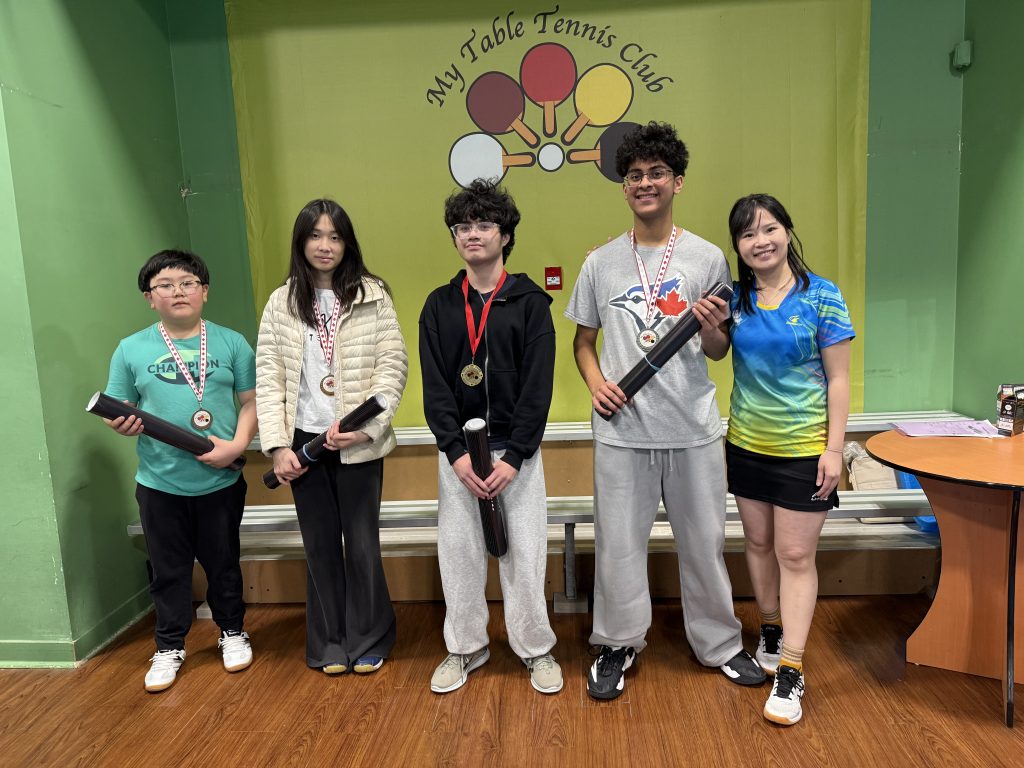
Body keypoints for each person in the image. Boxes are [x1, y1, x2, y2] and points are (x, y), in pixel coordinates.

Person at [565, 121, 765, 700]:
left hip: (692, 427)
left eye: (656, 173)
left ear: (677, 181)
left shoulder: (707, 258)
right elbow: (582, 342)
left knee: (703, 545)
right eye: (634, 175)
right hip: (623, 432)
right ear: (624, 186)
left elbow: (719, 350)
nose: (645, 183)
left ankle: (719, 643)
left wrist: (711, 329)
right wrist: (597, 384)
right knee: (618, 548)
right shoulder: (601, 262)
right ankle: (617, 643)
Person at [419, 180, 562, 695]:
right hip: (459, 457)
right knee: (459, 556)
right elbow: (436, 388)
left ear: (505, 235)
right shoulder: (439, 306)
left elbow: (537, 389)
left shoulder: (530, 303)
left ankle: (535, 648)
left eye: (484, 225)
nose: (472, 234)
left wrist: (516, 455)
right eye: (462, 227)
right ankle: (465, 647)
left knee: (524, 556)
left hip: (514, 456)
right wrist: (455, 453)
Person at [255, 199, 407, 675]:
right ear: (301, 242)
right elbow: (269, 379)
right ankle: (328, 644)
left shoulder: (373, 295)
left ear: (347, 243)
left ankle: (370, 636)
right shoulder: (281, 302)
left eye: (335, 236)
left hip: (358, 439)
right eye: (316, 236)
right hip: (304, 441)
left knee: (361, 544)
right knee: (319, 545)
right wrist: (278, 447)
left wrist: (366, 428)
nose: (326, 245)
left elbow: (392, 367)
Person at [722, 193, 853, 725]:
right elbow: (712, 349)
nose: (761, 241)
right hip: (746, 444)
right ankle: (770, 628)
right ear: (738, 245)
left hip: (805, 450)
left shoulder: (822, 295)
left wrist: (835, 449)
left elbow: (839, 378)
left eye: (769, 228)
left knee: (795, 556)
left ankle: (792, 671)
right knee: (758, 544)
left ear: (787, 231)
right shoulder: (736, 299)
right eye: (748, 234)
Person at [104, 249, 257, 692]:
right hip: (160, 482)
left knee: (223, 563)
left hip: (220, 478)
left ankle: (232, 631)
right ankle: (169, 645)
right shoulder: (131, 349)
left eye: (188, 283)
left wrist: (237, 446)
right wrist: (121, 424)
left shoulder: (232, 343)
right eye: (165, 285)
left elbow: (252, 402)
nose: (178, 292)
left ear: (204, 291)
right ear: (150, 298)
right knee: (168, 569)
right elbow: (121, 409)